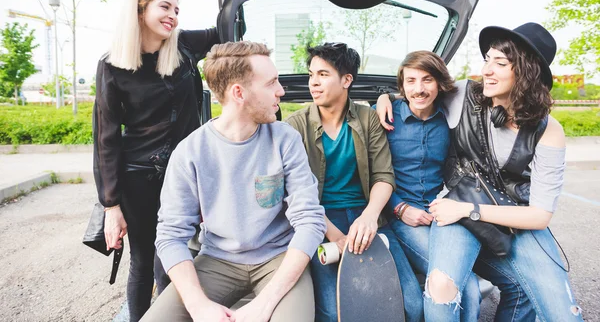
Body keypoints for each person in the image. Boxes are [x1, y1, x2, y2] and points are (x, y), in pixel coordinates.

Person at [377, 23, 583, 321]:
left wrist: (470, 210)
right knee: (441, 287)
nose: (486, 69)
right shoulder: (464, 93)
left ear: (527, 72)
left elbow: (540, 216)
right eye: (487, 59)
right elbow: (418, 94)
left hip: (509, 217)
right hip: (453, 209)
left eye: (499, 63)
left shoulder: (549, 130)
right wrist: (386, 97)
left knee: (566, 314)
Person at [141, 41, 326, 322]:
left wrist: (265, 303)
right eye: (271, 83)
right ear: (239, 93)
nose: (281, 91)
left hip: (279, 258)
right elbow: (170, 235)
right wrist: (198, 306)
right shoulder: (190, 152)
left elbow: (310, 220)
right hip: (217, 260)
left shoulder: (285, 139)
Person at [93, 0, 226, 322]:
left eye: (177, 10)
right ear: (140, 10)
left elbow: (227, 32)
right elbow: (105, 139)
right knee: (143, 259)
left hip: (184, 171)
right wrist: (110, 206)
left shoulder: (182, 46)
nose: (172, 16)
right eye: (164, 7)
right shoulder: (112, 65)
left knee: (175, 254)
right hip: (138, 176)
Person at [285, 43, 423, 322]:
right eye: (312, 74)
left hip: (369, 217)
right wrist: (336, 236)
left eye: (323, 74)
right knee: (332, 311)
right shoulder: (294, 126)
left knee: (411, 305)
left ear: (346, 80)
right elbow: (295, 195)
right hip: (318, 222)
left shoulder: (368, 118)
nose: (314, 82)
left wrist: (370, 217)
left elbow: (384, 176)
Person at [375, 50, 481, 321]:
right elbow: (368, 173)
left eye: (427, 80)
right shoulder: (383, 117)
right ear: (402, 85)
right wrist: (399, 208)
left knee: (469, 289)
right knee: (459, 284)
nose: (418, 89)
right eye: (410, 81)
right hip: (400, 218)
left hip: (441, 214)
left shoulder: (451, 119)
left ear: (440, 84)